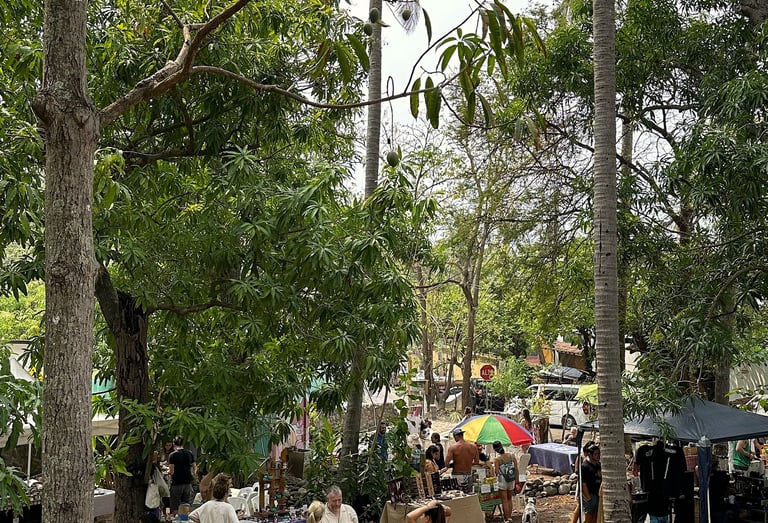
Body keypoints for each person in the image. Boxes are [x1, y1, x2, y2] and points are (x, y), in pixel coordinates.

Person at [168, 436, 196, 516]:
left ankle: (176, 519)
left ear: (174, 444)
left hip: (176, 483)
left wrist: (167, 471)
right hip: (187, 483)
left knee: (175, 506)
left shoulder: (172, 455)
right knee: (185, 505)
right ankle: (184, 519)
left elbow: (171, 471)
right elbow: (195, 467)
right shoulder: (189, 453)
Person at [492, 440, 518, 522]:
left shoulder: (497, 459)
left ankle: (506, 518)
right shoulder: (512, 456)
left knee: (504, 500)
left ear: (495, 450)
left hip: (503, 480)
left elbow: (496, 472)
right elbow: (516, 469)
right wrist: (517, 480)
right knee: (509, 499)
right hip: (511, 479)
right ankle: (510, 517)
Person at [580, 441, 602, 523]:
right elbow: (583, 484)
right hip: (590, 495)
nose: (598, 456)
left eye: (599, 454)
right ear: (590, 454)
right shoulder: (585, 466)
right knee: (588, 519)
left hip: (597, 494)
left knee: (595, 517)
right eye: (596, 454)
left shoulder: (598, 464)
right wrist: (588, 498)